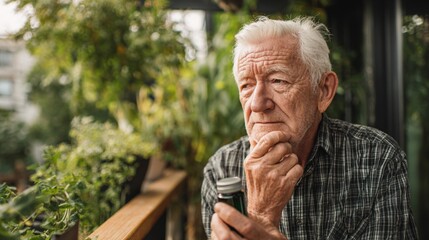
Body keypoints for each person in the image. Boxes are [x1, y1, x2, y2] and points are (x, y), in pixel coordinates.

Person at [201, 16, 419, 239]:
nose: (257, 103)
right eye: (246, 85)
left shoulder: (376, 159)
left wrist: (262, 221)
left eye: (278, 81)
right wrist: (259, 214)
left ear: (324, 90)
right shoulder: (220, 170)